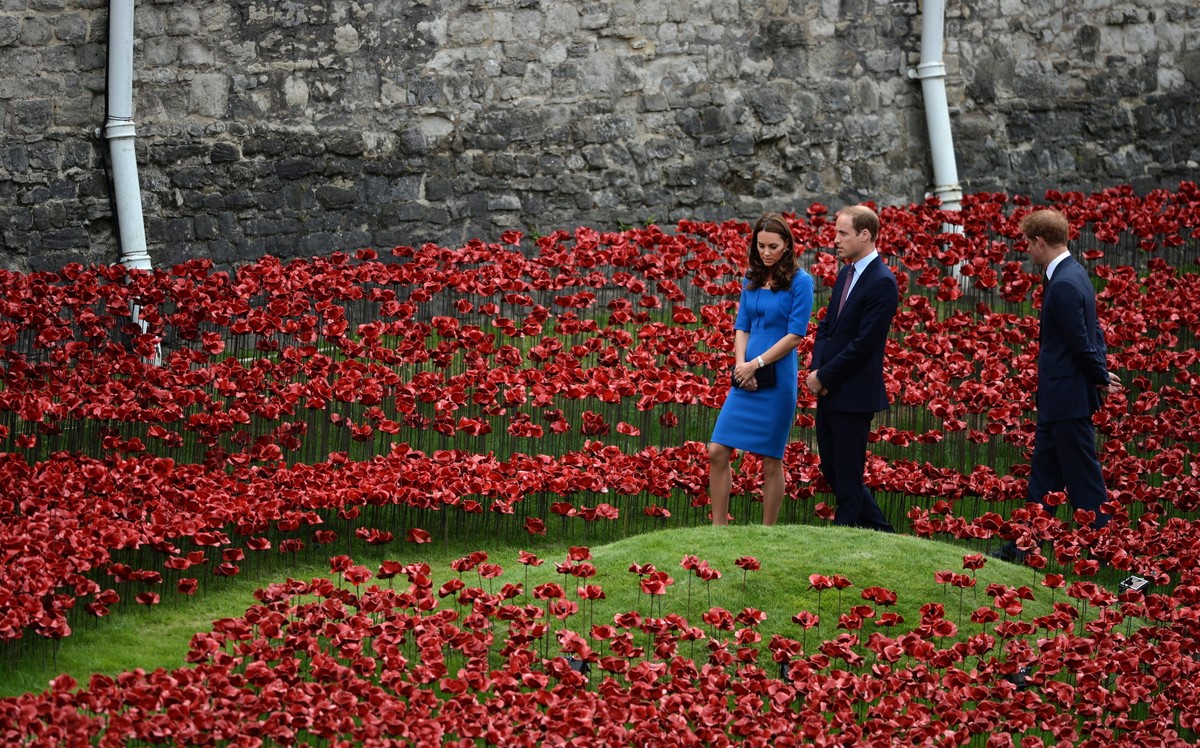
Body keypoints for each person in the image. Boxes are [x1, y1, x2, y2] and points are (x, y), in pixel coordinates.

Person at [991, 209, 1122, 562]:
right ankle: (1025, 546)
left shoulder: (1063, 283)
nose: (1026, 251)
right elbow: (1094, 333)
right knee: (1044, 480)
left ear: (1040, 241)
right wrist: (1100, 372)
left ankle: (1108, 552)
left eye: (1028, 244)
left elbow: (1082, 340)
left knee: (1084, 481)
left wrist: (1099, 376)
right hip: (1059, 399)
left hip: (1066, 400)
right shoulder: (1073, 273)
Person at [708, 212, 814, 526]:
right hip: (745, 374)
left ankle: (767, 531)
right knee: (717, 450)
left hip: (776, 377)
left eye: (773, 246)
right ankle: (718, 527)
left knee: (771, 459)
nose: (766, 252)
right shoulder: (752, 277)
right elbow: (742, 326)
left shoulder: (801, 282)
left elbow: (795, 334)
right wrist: (741, 366)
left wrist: (757, 364)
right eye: (761, 246)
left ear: (787, 246)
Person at [804, 205, 898, 531]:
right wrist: (816, 372)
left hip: (854, 391)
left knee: (848, 470)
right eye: (836, 232)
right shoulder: (846, 273)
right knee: (832, 466)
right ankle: (883, 532)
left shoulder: (883, 282)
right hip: (828, 387)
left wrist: (826, 376)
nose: (835, 239)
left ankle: (844, 535)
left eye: (842, 233)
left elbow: (864, 345)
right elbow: (827, 327)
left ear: (865, 235)